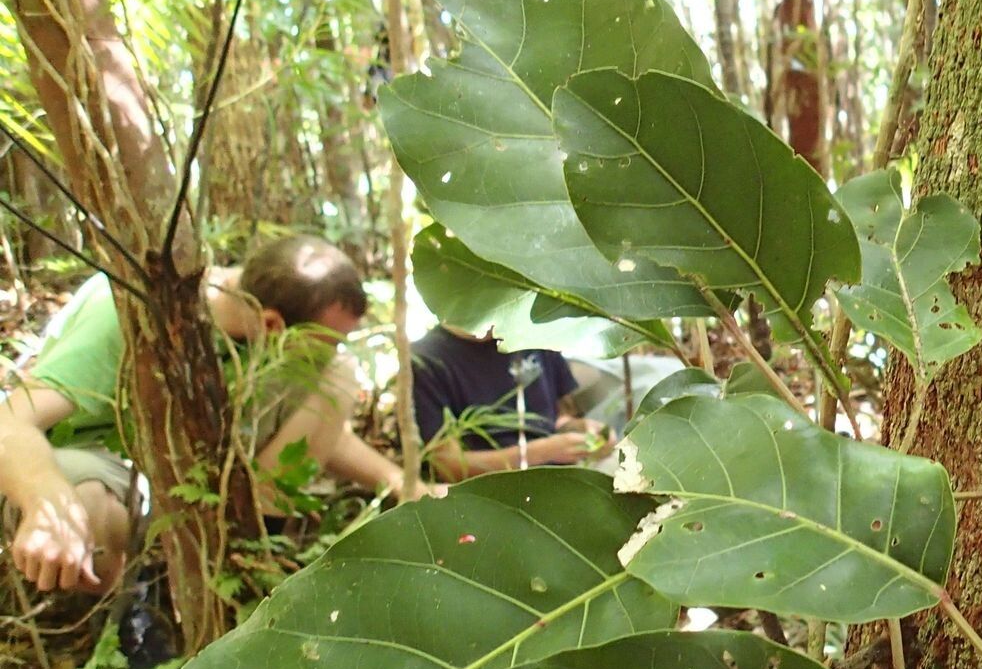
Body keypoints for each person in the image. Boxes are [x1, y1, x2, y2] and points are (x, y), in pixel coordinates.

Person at [0, 235, 415, 604]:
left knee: (337, 377)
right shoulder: (125, 309)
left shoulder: (264, 336)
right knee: (91, 508)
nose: (329, 352)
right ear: (273, 323)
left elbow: (323, 437)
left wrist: (407, 486)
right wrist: (47, 501)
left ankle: (250, 554)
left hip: (189, 478)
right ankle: (122, 612)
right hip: (95, 457)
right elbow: (11, 422)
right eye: (327, 342)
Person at [411, 324, 609, 481]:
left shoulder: (532, 333)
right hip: (491, 496)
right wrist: (543, 452)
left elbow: (559, 416)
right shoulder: (425, 360)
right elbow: (449, 466)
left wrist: (580, 431)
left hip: (562, 479)